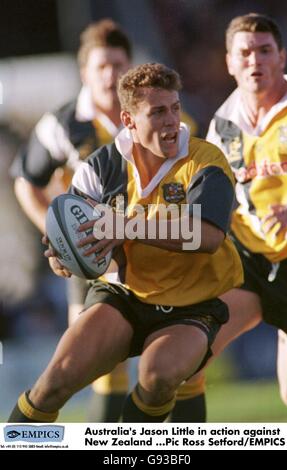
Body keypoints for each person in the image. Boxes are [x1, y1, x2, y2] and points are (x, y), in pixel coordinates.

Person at [8, 62, 243, 423]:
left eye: (175, 108)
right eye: (158, 111)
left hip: (193, 305)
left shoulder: (206, 160)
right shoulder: (99, 167)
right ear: (129, 120)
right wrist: (62, 254)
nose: (172, 121)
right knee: (54, 383)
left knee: (158, 376)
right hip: (123, 297)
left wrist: (128, 227)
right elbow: (71, 238)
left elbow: (208, 236)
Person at [12, 18, 132, 422]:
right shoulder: (63, 124)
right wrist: (57, 232)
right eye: (101, 66)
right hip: (92, 258)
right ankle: (27, 432)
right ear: (85, 72)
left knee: (165, 366)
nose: (110, 75)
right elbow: (26, 182)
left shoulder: (150, 116)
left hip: (148, 248)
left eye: (118, 65)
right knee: (89, 363)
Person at [192, 12, 287, 415]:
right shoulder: (221, 126)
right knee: (187, 352)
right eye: (246, 52)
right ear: (230, 63)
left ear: (282, 57)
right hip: (252, 262)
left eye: (265, 50)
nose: (256, 61)